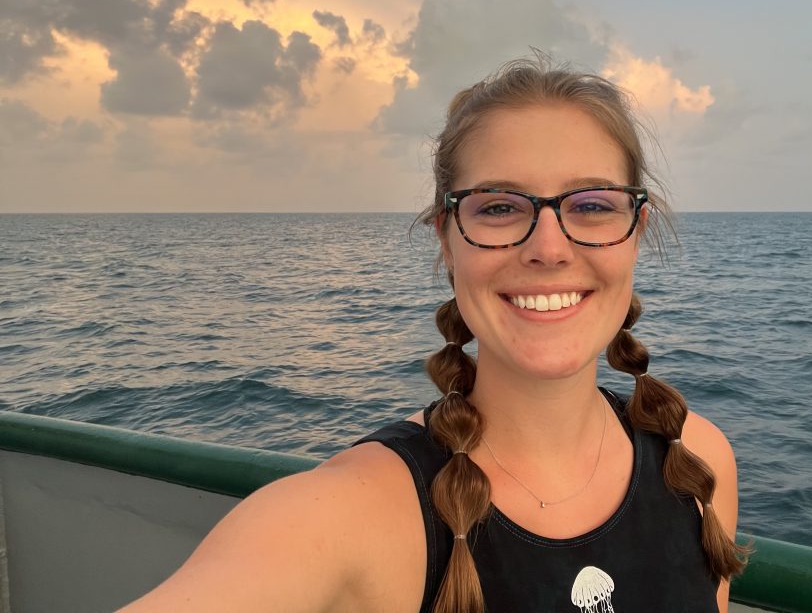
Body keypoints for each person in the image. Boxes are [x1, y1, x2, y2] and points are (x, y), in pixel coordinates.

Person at [122, 58, 746, 613]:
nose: (549, 248)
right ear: (447, 241)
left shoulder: (699, 462)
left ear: (636, 230)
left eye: (592, 204)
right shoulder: (356, 515)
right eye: (499, 207)